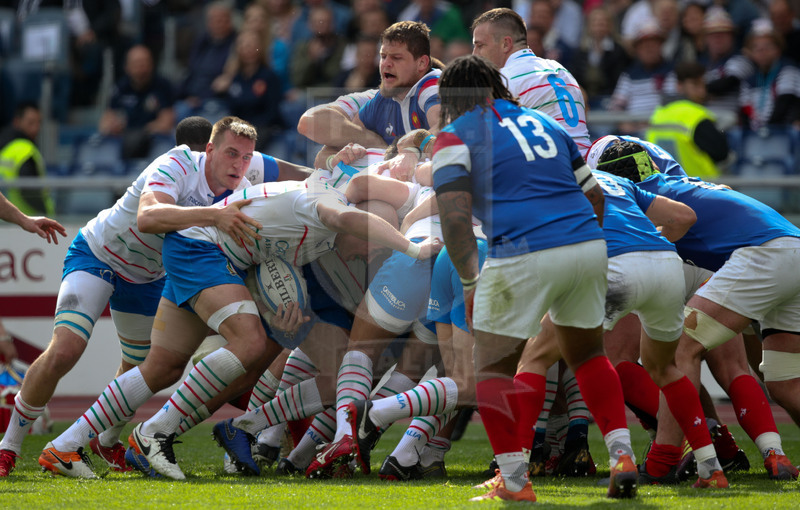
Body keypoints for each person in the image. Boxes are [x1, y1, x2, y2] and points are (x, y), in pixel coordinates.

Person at [115, 179, 439, 481]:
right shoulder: (332, 203)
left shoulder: (334, 228)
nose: (370, 252)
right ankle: (153, 433)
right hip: (212, 257)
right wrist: (414, 248)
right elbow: (338, 177)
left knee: (337, 377)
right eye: (372, 243)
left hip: (257, 271)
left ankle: (242, 430)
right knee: (242, 352)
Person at [0, 117, 261, 479]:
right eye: (232, 153)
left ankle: (105, 443)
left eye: (247, 157)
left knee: (141, 370)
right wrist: (214, 215)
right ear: (210, 150)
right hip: (97, 255)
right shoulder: (177, 163)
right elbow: (149, 216)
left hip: (148, 279)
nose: (239, 163)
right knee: (65, 350)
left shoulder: (241, 187)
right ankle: (8, 448)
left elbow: (282, 177)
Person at [431, 55, 637, 503]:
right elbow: (595, 196)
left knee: (490, 367)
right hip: (586, 242)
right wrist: (579, 248)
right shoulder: (549, 125)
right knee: (588, 356)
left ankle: (515, 481)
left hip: (522, 249)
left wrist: (469, 282)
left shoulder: (453, 136)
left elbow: (454, 220)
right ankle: (622, 455)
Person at [597, 139, 800, 481]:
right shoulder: (676, 183)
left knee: (678, 351)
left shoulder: (644, 198)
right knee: (785, 382)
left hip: (762, 255)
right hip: (789, 247)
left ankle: (662, 463)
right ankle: (769, 453)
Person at [471, 8, 590, 156]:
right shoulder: (560, 69)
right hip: (587, 166)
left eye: (480, 45)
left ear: (505, 44)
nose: (474, 53)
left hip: (556, 169)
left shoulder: (502, 79)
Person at [647, 61, 730, 179]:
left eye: (703, 85)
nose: (702, 91)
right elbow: (722, 153)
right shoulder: (695, 114)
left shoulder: (659, 113)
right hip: (701, 188)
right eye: (695, 85)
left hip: (667, 186)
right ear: (679, 85)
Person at [98, 45, 176, 160]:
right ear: (127, 66)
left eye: (144, 62)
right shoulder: (120, 88)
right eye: (137, 63)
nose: (141, 67)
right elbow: (105, 123)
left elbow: (167, 122)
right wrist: (112, 126)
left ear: (152, 64)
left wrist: (142, 131)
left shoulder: (163, 86)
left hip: (152, 143)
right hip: (124, 140)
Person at [0, 102, 53, 217]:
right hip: (30, 220)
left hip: (6, 220)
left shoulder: (5, 149)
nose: (36, 128)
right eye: (30, 123)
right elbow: (29, 190)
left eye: (39, 123)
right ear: (17, 122)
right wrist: (45, 214)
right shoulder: (26, 150)